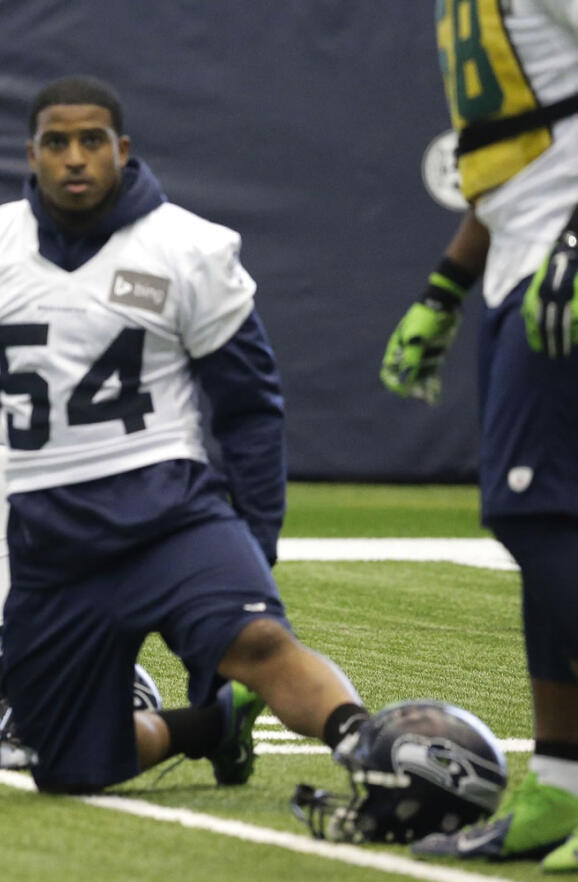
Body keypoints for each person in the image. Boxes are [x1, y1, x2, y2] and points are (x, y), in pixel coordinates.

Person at [0, 75, 371, 794]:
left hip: (170, 513)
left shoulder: (187, 248)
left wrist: (257, 532)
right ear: (30, 154)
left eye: (91, 141)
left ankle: (370, 743)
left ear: (121, 150)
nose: (74, 159)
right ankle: (212, 726)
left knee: (256, 640)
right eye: (56, 142)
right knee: (62, 766)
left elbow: (248, 406)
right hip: (53, 539)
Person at [380, 1, 578, 870]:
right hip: (522, 260)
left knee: (544, 519)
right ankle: (561, 786)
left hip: (559, 261)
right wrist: (445, 285)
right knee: (545, 524)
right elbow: (512, 155)